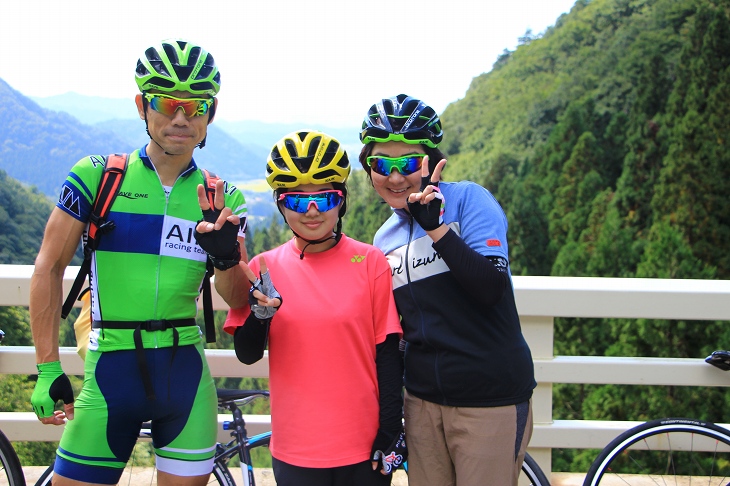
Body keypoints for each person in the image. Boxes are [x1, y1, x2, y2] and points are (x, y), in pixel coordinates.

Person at [29, 38, 248, 486]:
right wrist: (48, 367)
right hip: (110, 369)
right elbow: (48, 267)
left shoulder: (226, 198)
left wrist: (226, 255)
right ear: (141, 105)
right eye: (167, 103)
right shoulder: (97, 177)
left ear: (212, 112)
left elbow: (239, 298)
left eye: (196, 106)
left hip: (184, 374)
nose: (181, 118)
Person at [195, 129, 405, 486]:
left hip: (365, 447)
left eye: (324, 200)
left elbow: (387, 353)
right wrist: (261, 315)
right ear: (280, 204)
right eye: (296, 201)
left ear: (342, 201)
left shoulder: (370, 262)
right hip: (297, 449)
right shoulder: (263, 266)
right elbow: (246, 353)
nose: (311, 212)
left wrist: (389, 430)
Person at [358, 94, 537, 486]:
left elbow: (491, 289)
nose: (395, 176)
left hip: (489, 398)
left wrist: (436, 228)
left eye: (408, 163)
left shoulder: (469, 200)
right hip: (422, 403)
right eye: (381, 164)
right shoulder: (383, 237)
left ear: (431, 161)